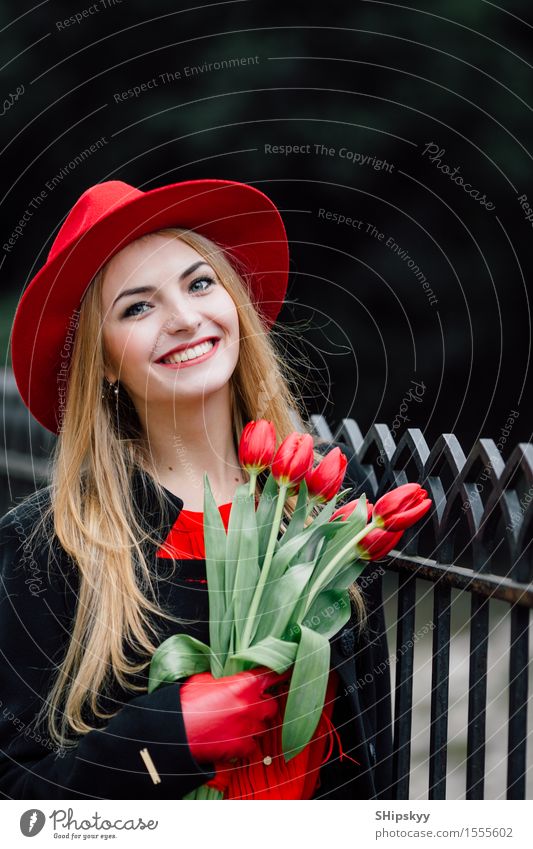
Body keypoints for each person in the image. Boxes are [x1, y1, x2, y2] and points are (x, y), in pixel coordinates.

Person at [0, 178, 393, 800]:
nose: (184, 319)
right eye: (137, 307)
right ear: (101, 360)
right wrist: (163, 743)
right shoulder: (44, 547)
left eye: (199, 282)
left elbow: (373, 737)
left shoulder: (327, 505)